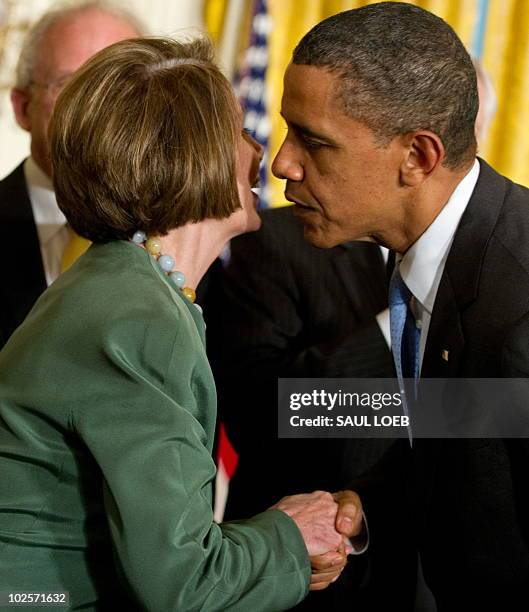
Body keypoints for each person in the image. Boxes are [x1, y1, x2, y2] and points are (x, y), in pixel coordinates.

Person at [0, 37, 360, 611]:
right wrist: (289, 534)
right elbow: (184, 584)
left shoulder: (132, 288)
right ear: (192, 152)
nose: (265, 152)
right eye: (242, 131)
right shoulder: (134, 311)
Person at [271, 3, 529, 610]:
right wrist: (371, 501)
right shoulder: (427, 246)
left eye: (313, 141)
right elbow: (473, 432)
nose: (282, 162)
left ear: (417, 157)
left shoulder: (520, 300)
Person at [209, 206, 416, 610]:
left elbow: (504, 409)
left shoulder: (490, 247)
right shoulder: (276, 237)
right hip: (313, 573)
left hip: (448, 566)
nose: (284, 164)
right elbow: (261, 411)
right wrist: (403, 323)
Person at [0, 1, 143, 349]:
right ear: (22, 107)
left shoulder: (181, 234)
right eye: (71, 83)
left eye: (122, 86)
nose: (98, 107)